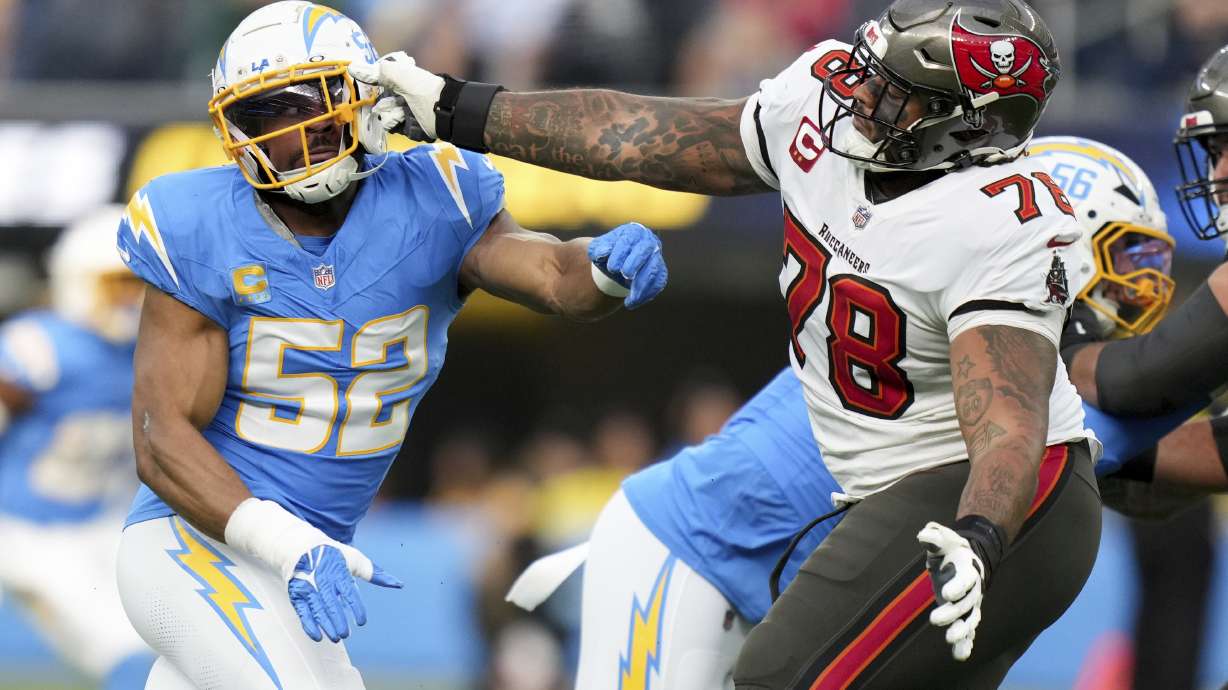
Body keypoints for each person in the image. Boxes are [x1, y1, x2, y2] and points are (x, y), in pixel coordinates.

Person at [362, 0, 1111, 684]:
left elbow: (1008, 420)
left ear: (967, 127)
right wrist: (457, 108)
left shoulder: (1001, 220)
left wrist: (980, 533)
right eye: (869, 70)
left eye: (895, 91)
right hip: (893, 492)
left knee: (774, 677)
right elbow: (639, 136)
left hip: (994, 502)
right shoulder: (824, 100)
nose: (857, 94)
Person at [506, 136, 1228, 690]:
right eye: (1127, 258)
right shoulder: (1000, 355)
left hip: (770, 585)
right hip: (686, 557)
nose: (1141, 291)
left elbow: (1136, 461)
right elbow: (1153, 397)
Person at [112, 3, 668, 689]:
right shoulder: (197, 222)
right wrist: (286, 545)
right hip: (196, 541)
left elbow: (554, 275)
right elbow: (159, 437)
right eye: (262, 117)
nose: (286, 135)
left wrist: (604, 270)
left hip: (304, 561)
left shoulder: (434, 199)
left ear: (363, 98)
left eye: (304, 108)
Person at [0, 206, 154, 689]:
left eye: (140, 283)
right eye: (118, 284)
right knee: (127, 655)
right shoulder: (40, 347)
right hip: (31, 531)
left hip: (109, 522)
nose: (132, 298)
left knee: (179, 639)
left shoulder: (154, 351)